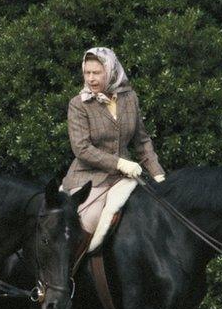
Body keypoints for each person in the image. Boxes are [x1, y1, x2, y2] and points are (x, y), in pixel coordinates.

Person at [62, 47, 166, 232]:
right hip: (89, 176)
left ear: (110, 72)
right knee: (90, 221)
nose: (90, 78)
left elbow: (141, 141)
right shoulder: (79, 104)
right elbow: (82, 148)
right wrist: (120, 163)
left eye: (96, 73)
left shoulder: (129, 98)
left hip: (124, 177)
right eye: (87, 73)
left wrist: (158, 174)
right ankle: (80, 261)